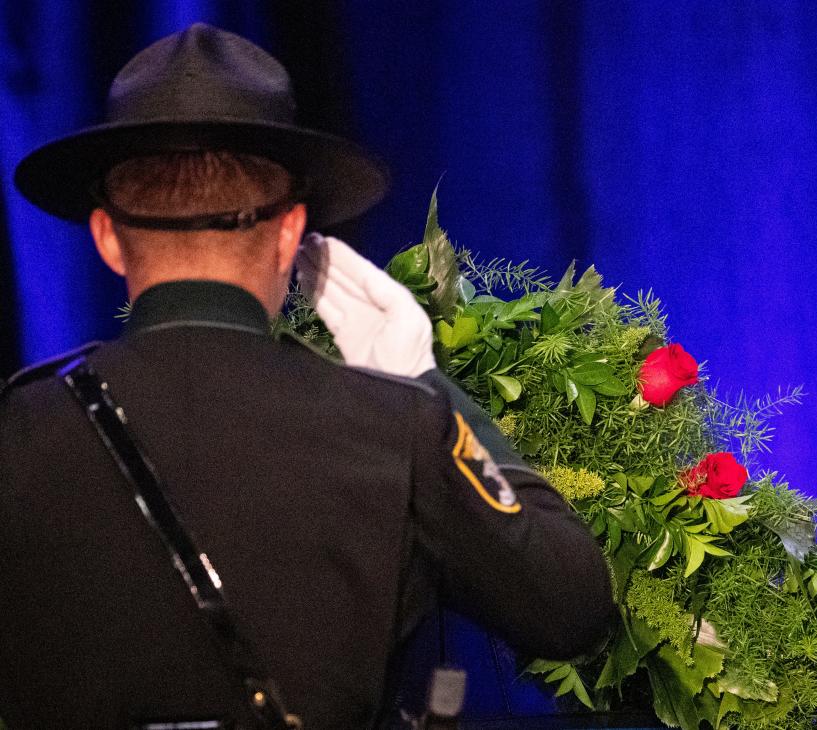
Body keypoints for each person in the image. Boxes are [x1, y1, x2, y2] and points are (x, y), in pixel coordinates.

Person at [0, 23, 614, 729]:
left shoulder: (16, 429)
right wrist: (426, 387)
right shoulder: (393, 427)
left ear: (108, 237)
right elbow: (571, 606)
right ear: (292, 232)